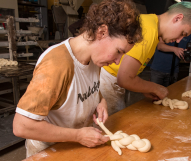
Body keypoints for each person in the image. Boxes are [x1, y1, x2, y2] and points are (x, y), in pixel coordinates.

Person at [13, 0, 142, 158]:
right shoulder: (57, 65)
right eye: (118, 51)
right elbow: (22, 126)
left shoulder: (95, 58)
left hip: (76, 146)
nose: (117, 61)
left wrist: (100, 102)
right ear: (101, 32)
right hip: (49, 151)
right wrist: (78, 136)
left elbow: (87, 87)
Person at [100, 1, 191, 115]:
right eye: (183, 33)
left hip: (110, 81)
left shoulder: (151, 23)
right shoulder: (149, 31)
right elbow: (125, 79)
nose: (179, 40)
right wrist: (155, 88)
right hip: (106, 82)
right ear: (177, 18)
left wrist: (145, 89)